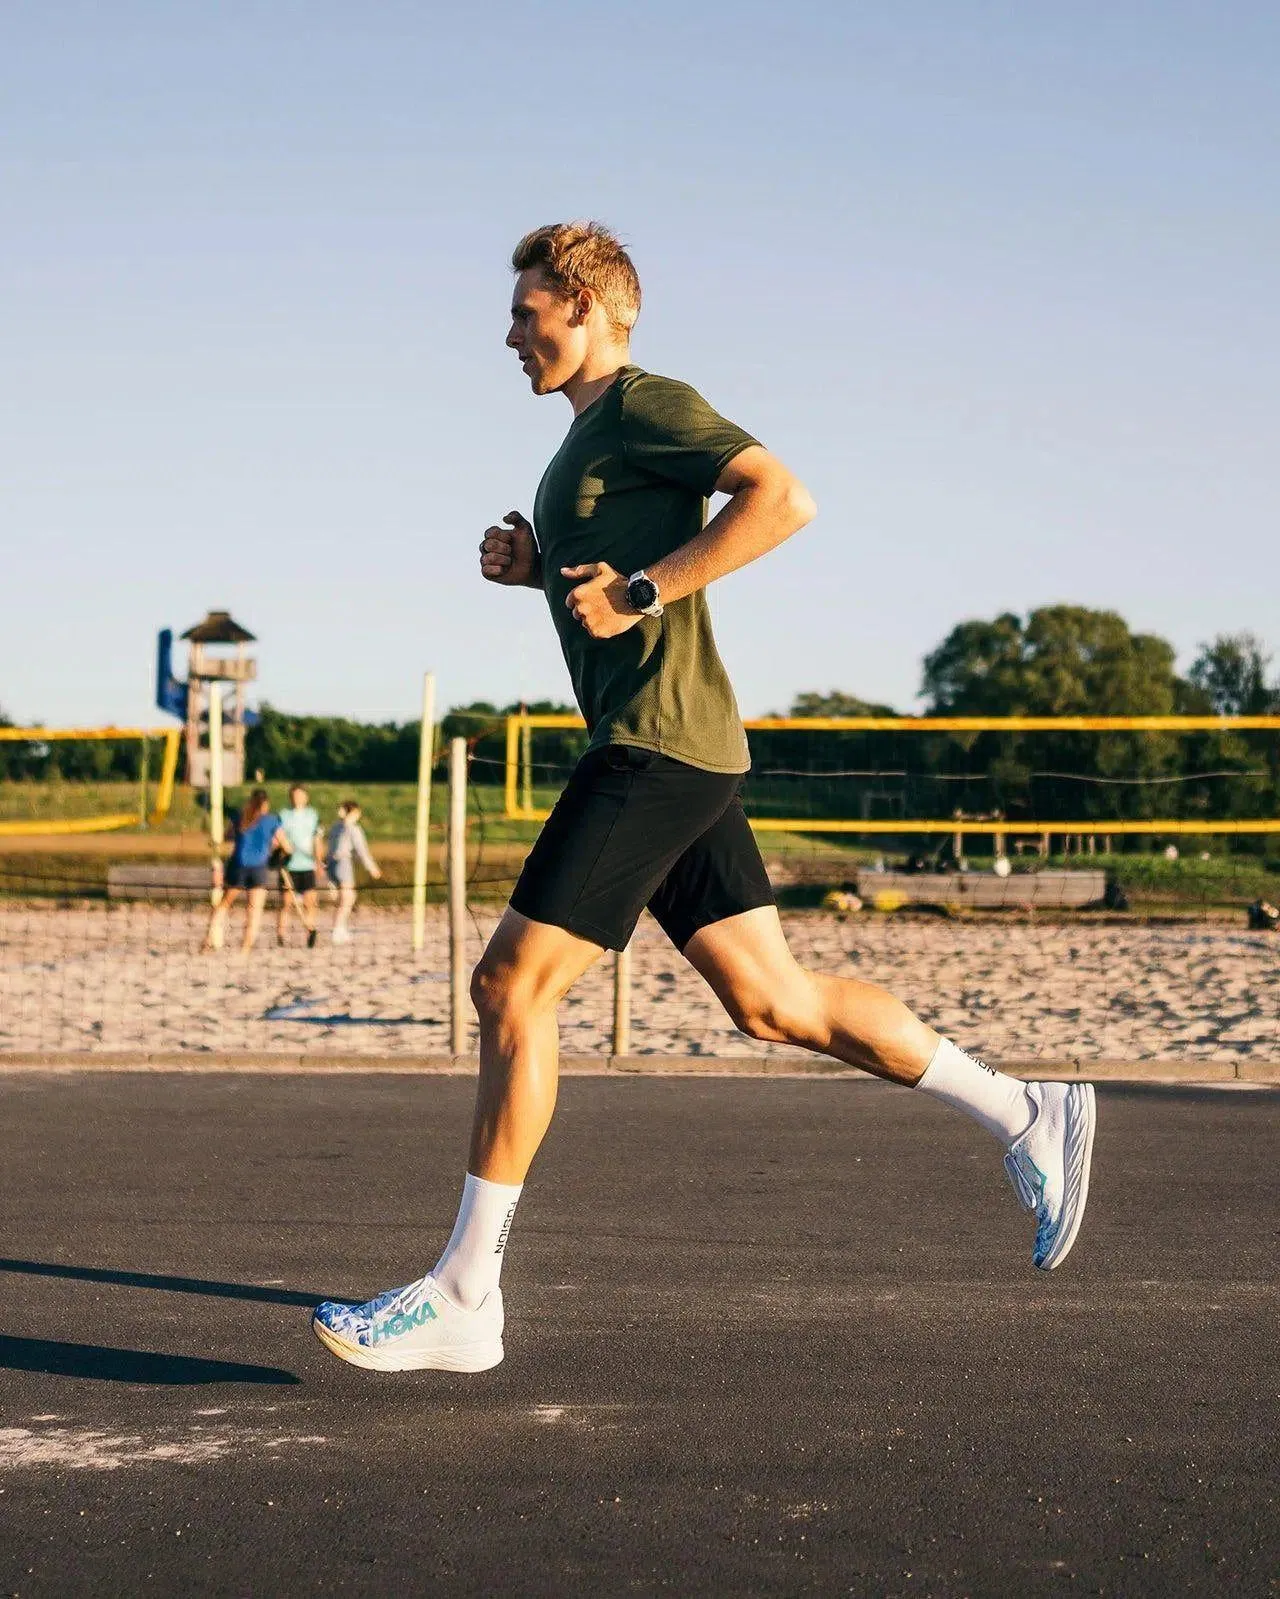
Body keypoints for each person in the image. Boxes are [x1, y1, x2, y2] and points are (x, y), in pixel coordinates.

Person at [312, 221, 1096, 1373]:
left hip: (655, 752)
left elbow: (780, 499)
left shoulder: (642, 404)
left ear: (583, 305)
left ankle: (465, 1294)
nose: (509, 332)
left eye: (527, 310)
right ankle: (1025, 1111)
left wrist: (641, 586)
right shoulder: (584, 438)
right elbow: (613, 583)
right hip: (687, 750)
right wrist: (540, 569)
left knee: (508, 986)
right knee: (775, 1004)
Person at [202, 788, 291, 957]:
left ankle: (208, 939)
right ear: (266, 804)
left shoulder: (240, 817)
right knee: (254, 910)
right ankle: (245, 949)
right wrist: (275, 850)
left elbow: (228, 836)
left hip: (238, 866)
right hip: (258, 868)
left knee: (224, 905)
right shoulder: (271, 821)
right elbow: (286, 847)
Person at [325, 800, 382, 944]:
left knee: (343, 899)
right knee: (348, 898)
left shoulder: (335, 827)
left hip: (331, 864)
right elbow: (361, 851)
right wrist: (372, 867)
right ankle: (338, 930)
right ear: (354, 813)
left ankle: (341, 928)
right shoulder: (353, 829)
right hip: (343, 863)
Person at [275, 783, 324, 948]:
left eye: (300, 795)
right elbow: (277, 838)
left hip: (307, 865)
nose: (297, 798)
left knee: (310, 901)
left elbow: (316, 840)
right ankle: (281, 935)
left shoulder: (312, 815)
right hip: (289, 866)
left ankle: (310, 930)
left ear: (306, 797)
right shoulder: (283, 815)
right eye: (295, 795)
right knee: (286, 902)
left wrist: (318, 862)